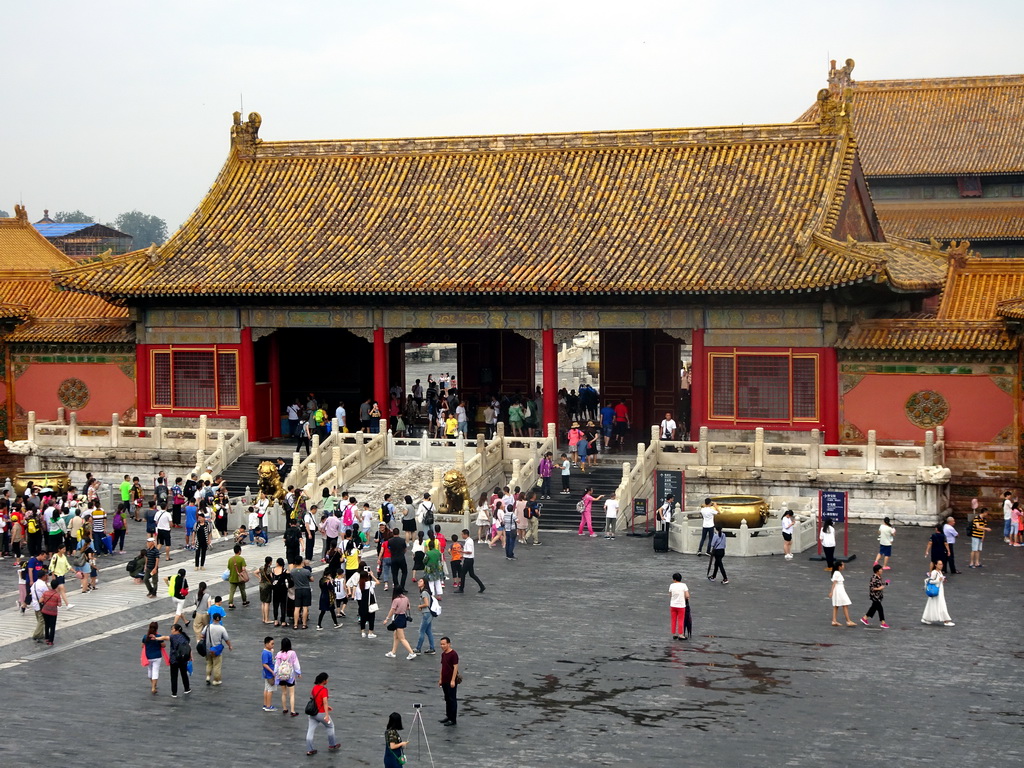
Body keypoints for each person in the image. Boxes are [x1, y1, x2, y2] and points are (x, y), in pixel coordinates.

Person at [306, 672, 340, 756]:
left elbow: (315, 699)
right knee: (330, 726)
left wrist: (327, 706)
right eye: (327, 679)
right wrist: (327, 715)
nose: (327, 681)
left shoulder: (314, 688)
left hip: (313, 714)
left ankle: (310, 749)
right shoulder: (324, 690)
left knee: (310, 731)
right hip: (321, 713)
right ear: (324, 681)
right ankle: (332, 745)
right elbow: (324, 702)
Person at [384, 586, 416, 660]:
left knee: (402, 638)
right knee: (396, 636)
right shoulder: (406, 598)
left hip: (397, 618)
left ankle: (411, 653)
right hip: (403, 617)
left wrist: (387, 619)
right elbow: (408, 607)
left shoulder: (396, 600)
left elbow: (392, 610)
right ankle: (393, 652)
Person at [274, 636, 302, 715]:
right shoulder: (292, 653)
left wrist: (275, 673)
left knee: (283, 693)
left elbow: (276, 665)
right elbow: (296, 663)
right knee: (292, 694)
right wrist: (298, 673)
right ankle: (292, 710)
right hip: (290, 676)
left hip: (281, 676)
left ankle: (284, 708)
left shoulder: (279, 654)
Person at [922, 561, 955, 626]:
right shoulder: (934, 572)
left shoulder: (940, 572)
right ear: (936, 565)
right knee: (941, 604)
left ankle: (926, 618)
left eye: (942, 564)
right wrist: (938, 580)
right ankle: (946, 621)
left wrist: (942, 580)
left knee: (931, 604)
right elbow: (930, 581)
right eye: (939, 564)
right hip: (936, 591)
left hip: (939, 591)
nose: (941, 565)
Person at [203, 613, 233, 685]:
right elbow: (226, 639)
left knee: (209, 663)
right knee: (217, 665)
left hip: (208, 649)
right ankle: (216, 680)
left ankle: (208, 676)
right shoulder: (222, 628)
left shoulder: (207, 627)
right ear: (220, 619)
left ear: (212, 618)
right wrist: (230, 646)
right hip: (216, 650)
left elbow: (202, 635)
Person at [142, 621, 170, 694]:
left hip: (148, 656)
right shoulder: (158, 636)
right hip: (157, 656)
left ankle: (153, 684)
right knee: (155, 671)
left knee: (150, 670)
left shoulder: (145, 637)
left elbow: (142, 646)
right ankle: (153, 687)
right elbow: (163, 645)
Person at [438, 635, 460, 726]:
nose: (442, 646)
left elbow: (455, 667)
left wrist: (453, 680)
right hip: (444, 680)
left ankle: (453, 719)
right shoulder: (443, 654)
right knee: (447, 698)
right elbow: (442, 667)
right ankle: (448, 716)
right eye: (441, 644)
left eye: (444, 644)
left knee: (452, 699)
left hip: (450, 680)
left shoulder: (453, 654)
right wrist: (440, 679)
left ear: (449, 644)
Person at [860, 564, 889, 628]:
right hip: (875, 597)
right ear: (877, 571)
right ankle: (883, 622)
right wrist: (879, 588)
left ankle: (865, 618)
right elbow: (872, 588)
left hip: (879, 596)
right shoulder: (873, 578)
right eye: (880, 569)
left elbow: (881, 584)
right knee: (880, 608)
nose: (882, 570)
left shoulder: (879, 577)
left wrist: (886, 583)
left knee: (873, 608)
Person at [168, 623, 192, 697]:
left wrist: (156, 638)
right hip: (183, 659)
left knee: (174, 676)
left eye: (172, 629)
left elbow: (164, 637)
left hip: (174, 659)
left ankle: (174, 692)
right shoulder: (184, 637)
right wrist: (190, 657)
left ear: (176, 630)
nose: (171, 630)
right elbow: (189, 648)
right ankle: (187, 688)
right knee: (184, 674)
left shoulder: (173, 637)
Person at [828, 561, 855, 627]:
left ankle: (834, 620)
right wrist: (831, 592)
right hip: (839, 590)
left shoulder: (836, 573)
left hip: (838, 590)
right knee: (845, 604)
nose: (843, 566)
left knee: (836, 606)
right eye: (842, 565)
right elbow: (834, 583)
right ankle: (848, 621)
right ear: (839, 566)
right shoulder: (837, 573)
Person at [290, 559, 313, 630]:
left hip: (298, 590)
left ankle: (295, 624)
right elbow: (312, 579)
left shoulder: (292, 572)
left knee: (297, 607)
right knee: (305, 607)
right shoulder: (306, 571)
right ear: (302, 562)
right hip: (306, 589)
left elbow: (292, 579)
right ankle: (304, 624)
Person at [38, 577, 61, 646]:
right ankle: (51, 641)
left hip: (45, 611)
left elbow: (40, 600)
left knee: (47, 625)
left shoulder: (46, 593)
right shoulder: (57, 595)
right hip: (53, 612)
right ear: (57, 586)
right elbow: (59, 605)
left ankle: (47, 637)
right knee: (52, 626)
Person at [227, 544, 249, 609]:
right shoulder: (241, 559)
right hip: (240, 578)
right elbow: (243, 569)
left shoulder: (230, 559)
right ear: (239, 551)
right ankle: (244, 601)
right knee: (242, 590)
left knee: (231, 592)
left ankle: (231, 604)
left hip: (232, 577)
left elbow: (229, 568)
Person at [669, 572, 689, 641]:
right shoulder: (684, 585)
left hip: (673, 605)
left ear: (674, 579)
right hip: (681, 605)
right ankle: (681, 634)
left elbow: (670, 595)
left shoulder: (671, 585)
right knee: (680, 620)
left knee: (673, 619)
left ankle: (674, 634)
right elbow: (687, 595)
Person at [261, 636, 278, 711]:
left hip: (267, 674)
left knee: (266, 689)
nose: (273, 645)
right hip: (269, 674)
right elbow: (264, 664)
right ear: (266, 644)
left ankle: (265, 704)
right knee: (270, 689)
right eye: (271, 644)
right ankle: (269, 706)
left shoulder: (268, 652)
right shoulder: (266, 653)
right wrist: (272, 671)